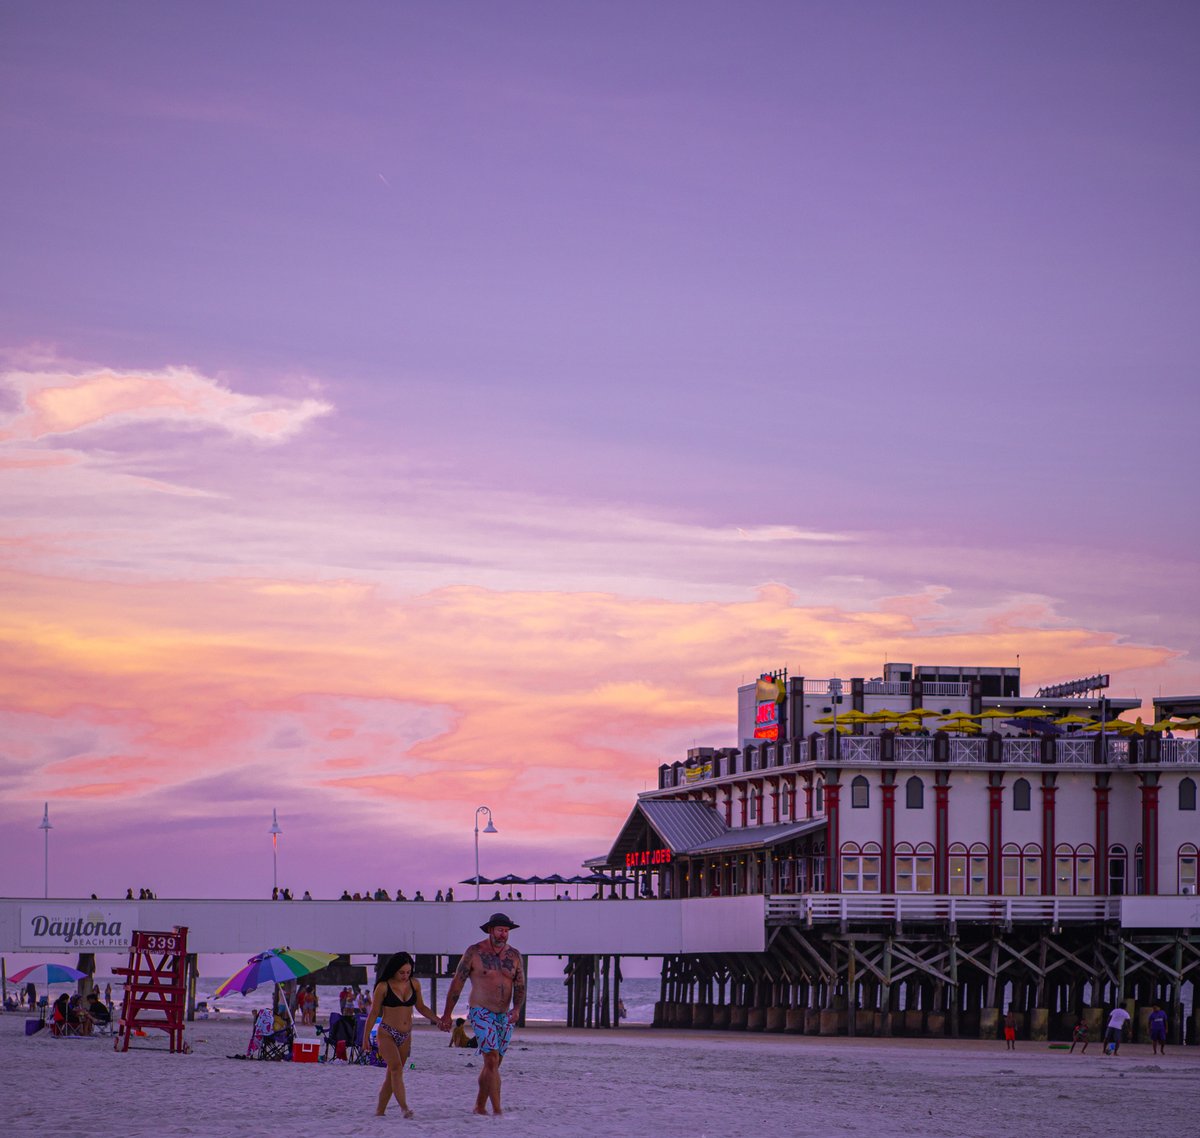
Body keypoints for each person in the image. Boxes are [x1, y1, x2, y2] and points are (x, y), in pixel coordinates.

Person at [438, 913, 527, 1117]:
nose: (504, 934)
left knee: (494, 1064)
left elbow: (520, 985)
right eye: (500, 930)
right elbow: (457, 983)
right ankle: (497, 1110)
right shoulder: (474, 952)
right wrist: (446, 1015)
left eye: (506, 930)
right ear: (490, 930)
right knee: (491, 1059)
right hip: (480, 1011)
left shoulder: (514, 956)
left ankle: (479, 1105)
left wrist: (517, 1009)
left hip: (504, 1015)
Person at [363, 951, 438, 1118]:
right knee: (396, 1069)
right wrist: (365, 1037)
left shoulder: (414, 984)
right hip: (387, 1033)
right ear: (394, 970)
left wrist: (438, 1020)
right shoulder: (383, 987)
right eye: (401, 972)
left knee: (392, 1073)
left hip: (406, 1035)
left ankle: (379, 1111)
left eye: (408, 972)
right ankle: (404, 1108)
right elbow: (374, 1013)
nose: (405, 976)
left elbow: (421, 1007)